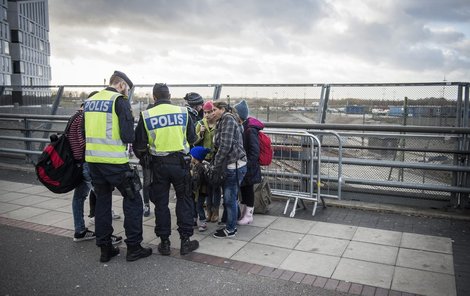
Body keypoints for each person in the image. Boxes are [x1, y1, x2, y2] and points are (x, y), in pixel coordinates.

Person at [84, 71, 152, 263]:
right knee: (133, 199)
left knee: (102, 202)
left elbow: (84, 131)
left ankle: (105, 249)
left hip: (93, 162)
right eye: (127, 89)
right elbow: (128, 136)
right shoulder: (118, 101)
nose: (127, 93)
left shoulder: (90, 101)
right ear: (121, 85)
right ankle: (133, 247)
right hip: (114, 162)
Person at [133, 83, 199, 256]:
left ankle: (164, 243)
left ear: (154, 97)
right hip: (180, 164)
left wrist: (145, 157)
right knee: (184, 200)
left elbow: (138, 145)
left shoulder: (147, 115)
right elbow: (192, 138)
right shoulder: (183, 113)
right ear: (169, 96)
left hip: (158, 165)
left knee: (161, 204)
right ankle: (185, 241)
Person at [67, 95, 122, 245]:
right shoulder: (82, 118)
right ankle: (104, 235)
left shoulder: (74, 117)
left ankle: (80, 231)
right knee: (103, 199)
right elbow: (84, 141)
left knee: (79, 198)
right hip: (87, 164)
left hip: (78, 164)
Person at [209, 101, 247, 238]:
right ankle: (232, 220)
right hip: (232, 165)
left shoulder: (228, 120)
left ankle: (231, 229)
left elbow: (225, 146)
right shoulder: (223, 120)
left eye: (214, 110)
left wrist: (215, 165)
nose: (212, 113)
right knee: (231, 196)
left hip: (233, 166)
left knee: (229, 198)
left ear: (222, 109)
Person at [234, 100, 263, 225]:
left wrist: (247, 164)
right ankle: (244, 213)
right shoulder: (244, 126)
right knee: (244, 189)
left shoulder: (250, 130)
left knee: (248, 189)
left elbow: (254, 151)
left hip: (249, 165)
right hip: (246, 164)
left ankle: (248, 215)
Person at [194, 100, 221, 222]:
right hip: (203, 160)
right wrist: (201, 133)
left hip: (215, 159)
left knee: (214, 187)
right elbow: (194, 141)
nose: (208, 115)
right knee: (205, 187)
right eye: (205, 112)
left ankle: (215, 211)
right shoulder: (200, 124)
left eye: (210, 112)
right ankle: (208, 210)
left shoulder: (219, 124)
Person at [189, 146, 211, 232]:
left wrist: (191, 175)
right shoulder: (195, 166)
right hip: (195, 191)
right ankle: (194, 220)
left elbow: (197, 180)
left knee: (199, 206)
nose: (190, 157)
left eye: (191, 156)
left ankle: (203, 222)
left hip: (201, 191)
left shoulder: (200, 167)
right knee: (193, 206)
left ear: (196, 158)